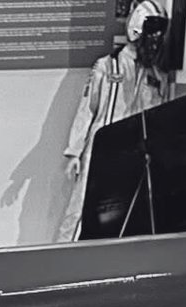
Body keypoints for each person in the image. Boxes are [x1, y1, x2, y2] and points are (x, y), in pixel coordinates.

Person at [58, 0, 169, 242]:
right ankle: (62, 260)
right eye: (152, 33)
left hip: (135, 154)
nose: (155, 40)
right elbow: (87, 109)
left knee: (124, 216)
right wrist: (74, 152)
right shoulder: (107, 67)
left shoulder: (155, 75)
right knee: (79, 212)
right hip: (100, 151)